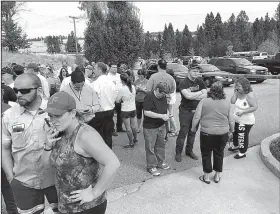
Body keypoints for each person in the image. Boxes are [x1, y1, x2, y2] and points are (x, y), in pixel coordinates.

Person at [42, 92, 120, 214]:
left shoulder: (85, 135)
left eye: (58, 116)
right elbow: (47, 166)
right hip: (65, 205)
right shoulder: (59, 132)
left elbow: (113, 163)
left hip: (86, 207)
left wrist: (95, 192)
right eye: (51, 116)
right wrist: (47, 145)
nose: (53, 121)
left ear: (73, 113)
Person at [2, 73, 59, 214]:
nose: (19, 94)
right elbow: (4, 148)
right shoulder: (9, 116)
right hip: (24, 182)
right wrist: (11, 177)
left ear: (39, 90)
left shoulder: (55, 110)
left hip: (56, 180)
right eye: (16, 90)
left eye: (25, 90)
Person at [191, 82, 235, 184]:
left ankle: (206, 177)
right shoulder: (227, 102)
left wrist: (193, 128)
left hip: (207, 133)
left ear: (211, 90)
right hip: (222, 133)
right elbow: (231, 119)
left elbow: (196, 116)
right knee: (219, 153)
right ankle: (217, 176)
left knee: (206, 154)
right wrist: (232, 130)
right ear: (222, 91)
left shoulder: (204, 101)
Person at [175, 64, 207, 162]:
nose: (196, 73)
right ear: (189, 71)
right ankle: (178, 152)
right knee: (183, 132)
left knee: (193, 132)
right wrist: (199, 93)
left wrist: (193, 94)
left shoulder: (200, 81)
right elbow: (187, 96)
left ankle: (189, 151)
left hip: (197, 111)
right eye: (194, 71)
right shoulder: (183, 82)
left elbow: (206, 94)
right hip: (185, 111)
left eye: (197, 71)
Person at [143, 82, 170, 176]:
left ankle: (160, 162)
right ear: (157, 89)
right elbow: (146, 112)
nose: (163, 96)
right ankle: (151, 166)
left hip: (161, 125)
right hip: (150, 127)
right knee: (150, 147)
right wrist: (161, 116)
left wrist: (167, 114)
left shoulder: (163, 96)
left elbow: (165, 108)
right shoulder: (149, 96)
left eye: (165, 94)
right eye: (162, 93)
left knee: (161, 145)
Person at [89, 62, 117, 149]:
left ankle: (98, 155)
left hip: (99, 112)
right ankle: (108, 155)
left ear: (100, 70)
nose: (93, 71)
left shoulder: (95, 84)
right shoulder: (112, 83)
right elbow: (115, 96)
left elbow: (93, 99)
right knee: (108, 135)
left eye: (95, 69)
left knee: (97, 135)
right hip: (110, 111)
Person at [228, 77, 258, 159]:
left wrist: (243, 112)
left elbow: (255, 107)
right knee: (235, 133)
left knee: (242, 136)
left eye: (239, 86)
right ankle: (235, 145)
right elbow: (232, 101)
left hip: (246, 121)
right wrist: (235, 92)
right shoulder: (238, 93)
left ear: (245, 86)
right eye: (236, 86)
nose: (237, 88)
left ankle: (242, 152)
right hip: (237, 119)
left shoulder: (249, 95)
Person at [1, 95, 19, 214]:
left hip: (6, 156)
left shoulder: (9, 111)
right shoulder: (10, 110)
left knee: (9, 191)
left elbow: (16, 132)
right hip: (8, 156)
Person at [116, 73, 138, 148]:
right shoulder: (133, 87)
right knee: (134, 126)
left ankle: (131, 143)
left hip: (125, 110)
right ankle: (135, 139)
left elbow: (117, 100)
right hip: (133, 108)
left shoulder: (122, 89)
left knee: (128, 128)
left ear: (122, 80)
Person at [107, 63, 124, 134]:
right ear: (110, 68)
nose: (115, 69)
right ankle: (112, 129)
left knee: (120, 114)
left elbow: (123, 85)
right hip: (111, 98)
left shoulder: (119, 76)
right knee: (111, 114)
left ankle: (119, 127)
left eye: (116, 67)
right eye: (113, 67)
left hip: (119, 97)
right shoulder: (107, 77)